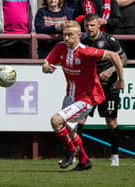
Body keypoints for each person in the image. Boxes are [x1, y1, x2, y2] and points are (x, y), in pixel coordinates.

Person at [42, 20, 125, 171]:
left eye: (70, 36)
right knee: (70, 131)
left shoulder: (86, 52)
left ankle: (70, 151)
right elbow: (46, 64)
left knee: (56, 121)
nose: (67, 38)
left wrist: (120, 79)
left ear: (79, 36)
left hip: (88, 97)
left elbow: (114, 55)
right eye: (65, 35)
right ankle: (84, 161)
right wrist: (46, 67)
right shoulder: (60, 47)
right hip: (70, 96)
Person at [79, 13, 127, 166]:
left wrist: (111, 70)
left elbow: (123, 59)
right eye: (87, 26)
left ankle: (114, 156)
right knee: (80, 119)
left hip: (109, 87)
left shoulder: (109, 40)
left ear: (99, 25)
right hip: (90, 87)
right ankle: (76, 155)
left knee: (111, 121)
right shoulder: (83, 41)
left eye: (92, 25)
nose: (90, 28)